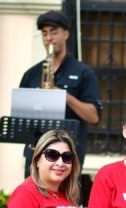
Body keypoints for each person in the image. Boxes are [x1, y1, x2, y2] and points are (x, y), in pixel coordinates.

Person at [19, 11, 102, 172]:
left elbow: (93, 116)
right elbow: (21, 119)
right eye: (44, 33)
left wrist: (65, 96)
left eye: (54, 32)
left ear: (66, 34)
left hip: (67, 157)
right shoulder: (31, 74)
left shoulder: (84, 73)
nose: (49, 38)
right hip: (35, 153)